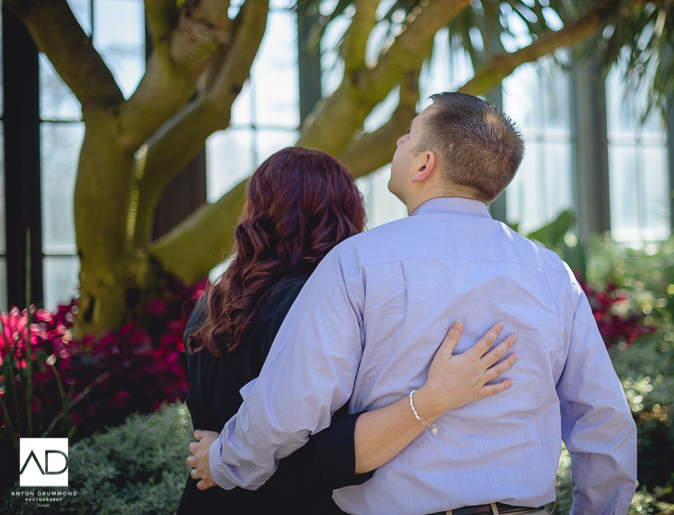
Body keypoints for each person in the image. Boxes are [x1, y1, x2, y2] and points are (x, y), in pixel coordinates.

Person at [189, 93, 638, 515]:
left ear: (425, 163)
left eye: (408, 134)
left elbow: (289, 407)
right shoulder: (551, 274)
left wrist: (226, 462)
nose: (399, 141)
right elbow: (603, 422)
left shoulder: (357, 263)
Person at [178, 147, 519, 514]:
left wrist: (218, 457)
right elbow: (325, 453)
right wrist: (433, 398)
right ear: (344, 213)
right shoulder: (316, 302)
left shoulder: (210, 306)